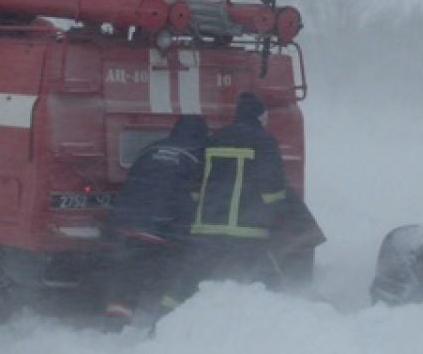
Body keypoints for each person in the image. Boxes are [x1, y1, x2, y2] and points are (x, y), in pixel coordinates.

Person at [102, 114, 208, 331]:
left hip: (131, 226)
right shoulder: (198, 157)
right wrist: (188, 233)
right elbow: (194, 197)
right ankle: (162, 325)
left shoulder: (150, 150)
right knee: (175, 278)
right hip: (165, 232)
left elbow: (133, 184)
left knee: (128, 278)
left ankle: (114, 327)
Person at [187, 92, 295, 288]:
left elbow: (195, 185)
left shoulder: (215, 139)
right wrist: (280, 216)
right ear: (259, 116)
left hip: (208, 229)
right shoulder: (265, 141)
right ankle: (281, 314)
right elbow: (272, 188)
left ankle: (165, 316)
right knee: (269, 283)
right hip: (248, 232)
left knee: (189, 282)